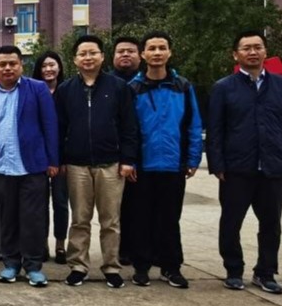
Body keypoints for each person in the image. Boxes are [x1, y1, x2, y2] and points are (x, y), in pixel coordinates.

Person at [207, 30, 282, 295]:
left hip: (272, 168)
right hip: (236, 168)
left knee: (271, 224)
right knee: (231, 222)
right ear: (235, 54)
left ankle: (266, 272)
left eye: (257, 47)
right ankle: (233, 270)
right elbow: (215, 130)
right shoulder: (223, 87)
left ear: (265, 52)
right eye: (246, 48)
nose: (252, 52)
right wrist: (217, 164)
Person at [55, 36, 139, 289]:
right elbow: (60, 128)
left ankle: (111, 267)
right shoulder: (66, 90)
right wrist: (61, 160)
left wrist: (128, 159)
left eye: (93, 53)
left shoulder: (118, 87)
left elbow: (129, 126)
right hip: (76, 165)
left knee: (110, 221)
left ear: (102, 56)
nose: (88, 58)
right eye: (83, 54)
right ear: (75, 59)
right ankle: (78, 266)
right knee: (80, 219)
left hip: (111, 164)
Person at [125, 32, 203, 289]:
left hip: (173, 164)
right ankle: (141, 267)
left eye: (162, 48)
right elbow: (127, 129)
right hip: (142, 166)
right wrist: (129, 160)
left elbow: (193, 124)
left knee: (170, 218)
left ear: (170, 52)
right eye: (152, 48)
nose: (157, 53)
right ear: (143, 54)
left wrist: (193, 158)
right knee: (140, 218)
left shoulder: (182, 86)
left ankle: (171, 267)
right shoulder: (133, 89)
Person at [0, 46, 60, 288]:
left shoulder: (37, 89)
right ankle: (11, 263)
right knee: (7, 217)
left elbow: (50, 125)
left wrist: (53, 160)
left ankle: (33, 266)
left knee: (33, 218)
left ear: (21, 65)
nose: (8, 68)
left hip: (32, 166)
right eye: (2, 64)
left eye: (12, 63)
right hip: (0, 167)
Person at [32, 51, 69, 264]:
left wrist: (61, 159)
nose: (48, 69)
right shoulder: (32, 92)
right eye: (44, 66)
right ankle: (42, 244)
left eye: (52, 65)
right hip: (38, 158)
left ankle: (60, 244)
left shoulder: (66, 91)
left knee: (61, 203)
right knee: (40, 204)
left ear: (59, 67)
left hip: (62, 158)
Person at [110, 36, 142, 266]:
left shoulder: (149, 81)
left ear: (140, 55)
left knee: (145, 207)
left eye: (130, 51)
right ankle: (124, 249)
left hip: (149, 156)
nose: (125, 55)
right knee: (120, 208)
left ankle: (148, 249)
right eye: (120, 51)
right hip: (117, 158)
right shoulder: (108, 84)